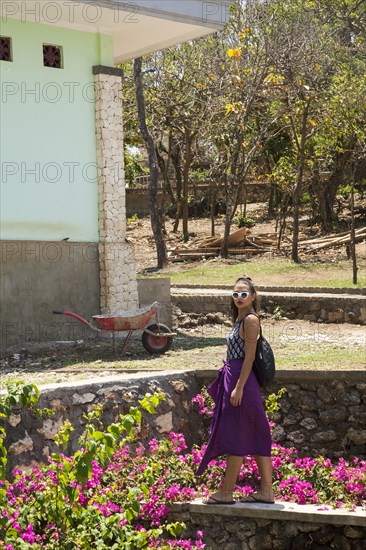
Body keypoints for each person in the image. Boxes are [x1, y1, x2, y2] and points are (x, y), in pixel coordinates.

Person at [196, 276, 274, 504]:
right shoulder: (240, 319)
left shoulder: (250, 320)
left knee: (239, 434)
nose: (239, 298)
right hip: (237, 379)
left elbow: (249, 357)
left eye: (243, 294)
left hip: (242, 382)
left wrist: (238, 388)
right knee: (256, 432)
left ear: (253, 297)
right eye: (235, 294)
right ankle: (266, 491)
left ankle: (226, 492)